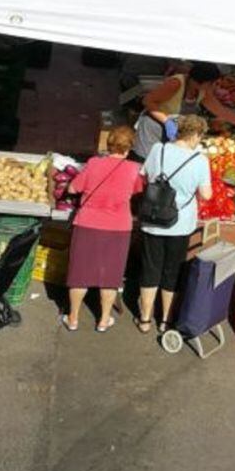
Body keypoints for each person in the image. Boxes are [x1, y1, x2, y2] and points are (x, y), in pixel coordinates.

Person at [62, 127, 145, 333]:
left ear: (109, 145)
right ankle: (104, 319)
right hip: (118, 227)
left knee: (79, 273)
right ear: (129, 148)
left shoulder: (93, 163)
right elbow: (138, 190)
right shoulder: (135, 169)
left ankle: (73, 318)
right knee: (111, 276)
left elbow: (73, 188)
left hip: (88, 223)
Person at [138, 115, 212, 334]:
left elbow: (145, 178)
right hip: (180, 224)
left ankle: (144, 318)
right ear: (196, 135)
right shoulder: (200, 160)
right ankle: (165, 320)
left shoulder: (157, 150)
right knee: (172, 271)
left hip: (152, 220)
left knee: (150, 268)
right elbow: (206, 195)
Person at [131, 62, 191, 161]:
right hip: (152, 128)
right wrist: (166, 121)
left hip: (169, 132)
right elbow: (147, 101)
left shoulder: (203, 90)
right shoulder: (176, 83)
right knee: (145, 161)